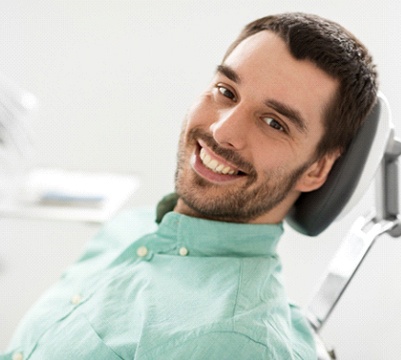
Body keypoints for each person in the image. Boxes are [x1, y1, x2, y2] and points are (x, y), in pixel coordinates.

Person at [1, 12, 377, 360]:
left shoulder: (236, 343)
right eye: (226, 92)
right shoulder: (130, 228)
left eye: (274, 123)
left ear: (317, 169)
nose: (221, 130)